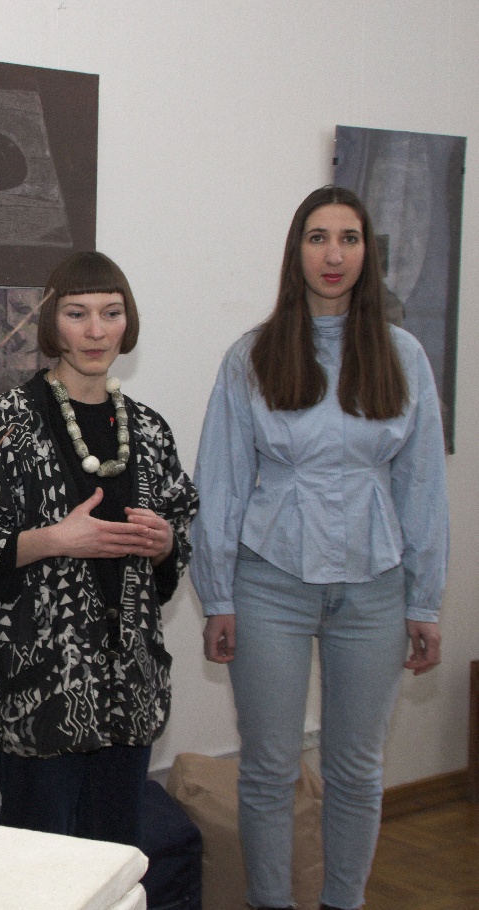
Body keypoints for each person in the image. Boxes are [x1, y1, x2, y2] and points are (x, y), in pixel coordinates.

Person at [191, 186, 447, 910]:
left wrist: (425, 601)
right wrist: (217, 594)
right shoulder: (252, 356)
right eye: (317, 237)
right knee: (268, 771)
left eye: (348, 239)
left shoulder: (402, 357)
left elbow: (422, 487)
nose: (333, 255)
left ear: (367, 254)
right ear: (295, 252)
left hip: (375, 589)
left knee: (357, 772)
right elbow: (221, 480)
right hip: (269, 585)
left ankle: (343, 902)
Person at [0, 251, 198, 847]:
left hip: (130, 689)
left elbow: (178, 535)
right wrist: (55, 540)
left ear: (128, 321)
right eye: (77, 313)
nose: (96, 331)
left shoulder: (149, 429)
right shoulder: (1, 425)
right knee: (42, 868)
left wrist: (164, 543)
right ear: (50, 322)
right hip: (38, 691)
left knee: (115, 859)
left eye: (111, 313)